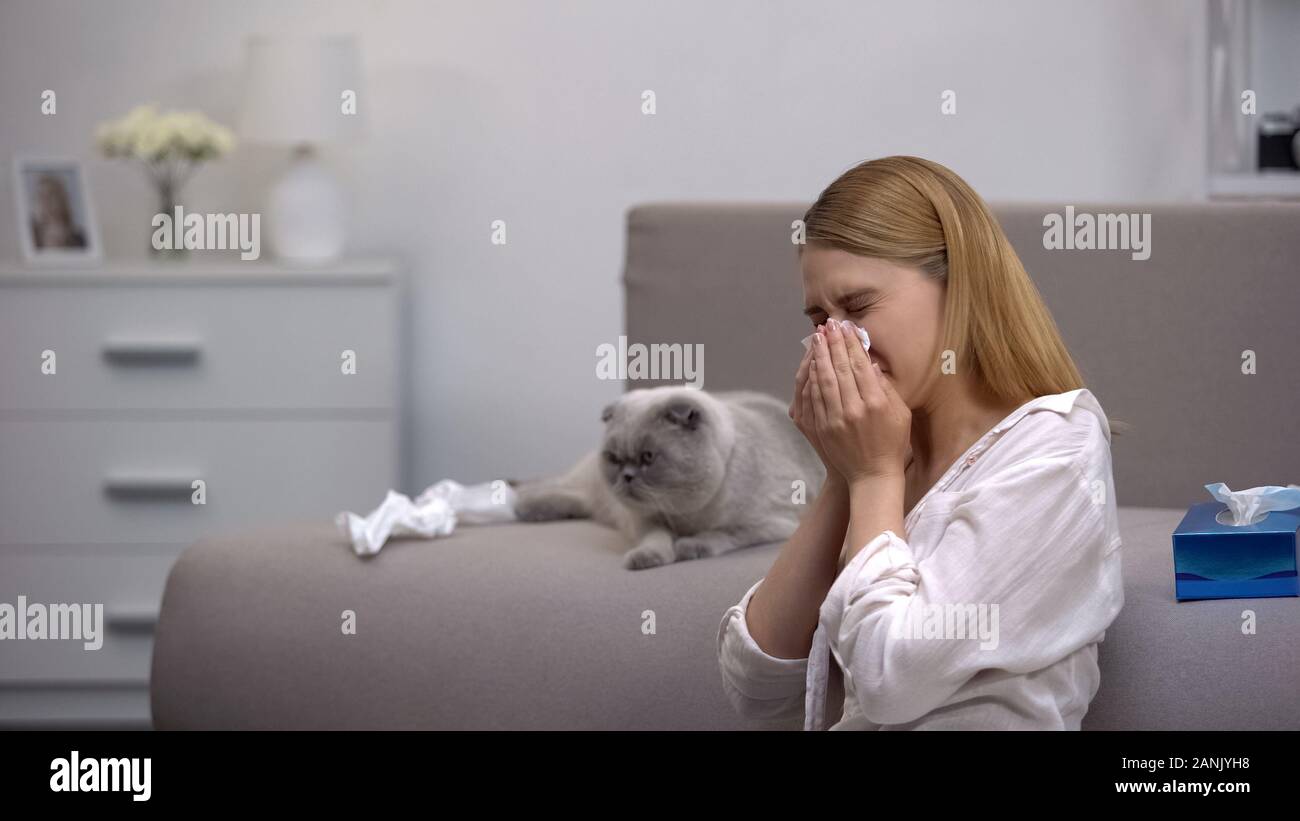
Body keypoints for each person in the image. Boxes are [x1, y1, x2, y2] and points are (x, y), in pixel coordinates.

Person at [716, 155, 1124, 730]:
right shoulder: (887, 454)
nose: (839, 342)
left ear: (959, 287)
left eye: (856, 307)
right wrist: (844, 475)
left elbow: (890, 678)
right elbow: (758, 691)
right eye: (818, 319)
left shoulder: (1054, 448)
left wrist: (873, 478)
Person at [30, 173, 87, 249]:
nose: (45, 201)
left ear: (61, 198)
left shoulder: (79, 237)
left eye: (51, 195)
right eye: (41, 196)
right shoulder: (32, 235)